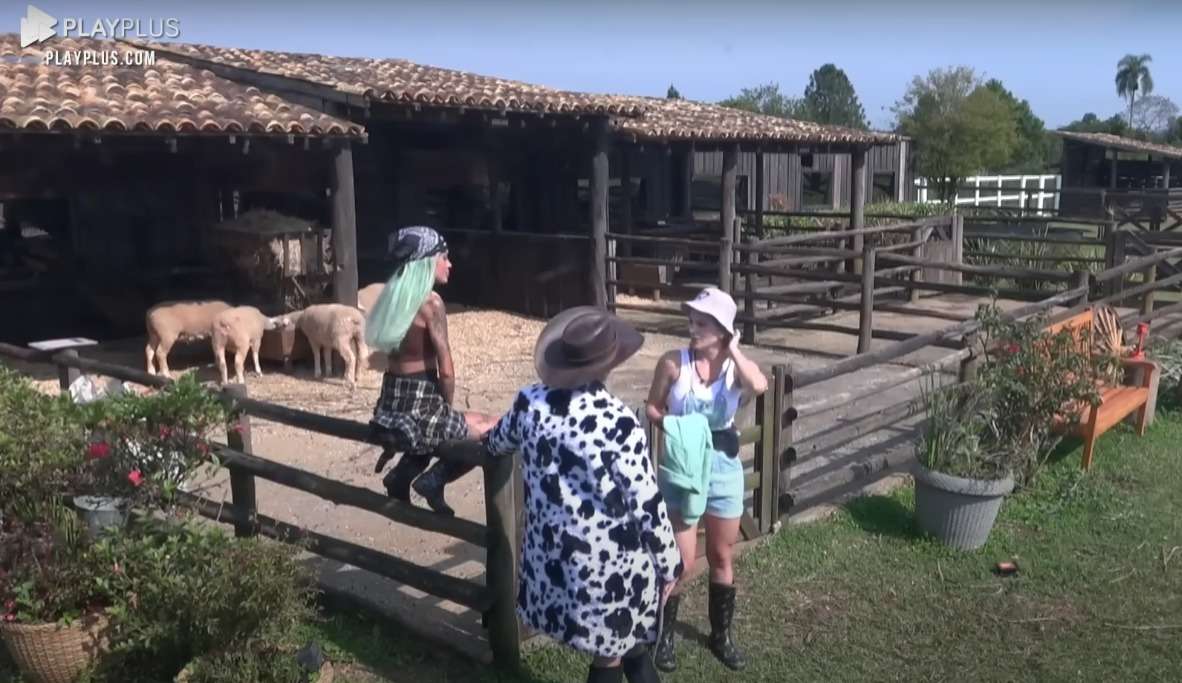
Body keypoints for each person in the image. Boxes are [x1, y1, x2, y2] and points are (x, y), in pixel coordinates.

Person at [486, 307, 681, 683]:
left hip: (553, 556)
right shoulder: (618, 421)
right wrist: (670, 563)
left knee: (630, 640)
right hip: (609, 565)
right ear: (609, 364)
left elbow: (496, 442)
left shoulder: (530, 403)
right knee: (610, 653)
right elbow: (647, 503)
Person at [644, 287, 768, 673]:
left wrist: (734, 350)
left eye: (702, 323)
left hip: (723, 468)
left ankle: (721, 635)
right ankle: (662, 637)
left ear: (722, 329)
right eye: (692, 321)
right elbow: (651, 407)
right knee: (679, 560)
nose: (692, 328)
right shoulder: (672, 363)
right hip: (683, 467)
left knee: (721, 555)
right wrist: (679, 427)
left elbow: (759, 385)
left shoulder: (734, 370)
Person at [366, 226, 497, 515]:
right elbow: (446, 371)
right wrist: (447, 409)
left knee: (479, 419)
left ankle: (400, 477)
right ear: (426, 260)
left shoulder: (391, 298)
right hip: (421, 403)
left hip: (391, 404)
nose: (450, 264)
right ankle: (434, 480)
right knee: (495, 428)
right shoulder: (431, 303)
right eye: (444, 257)